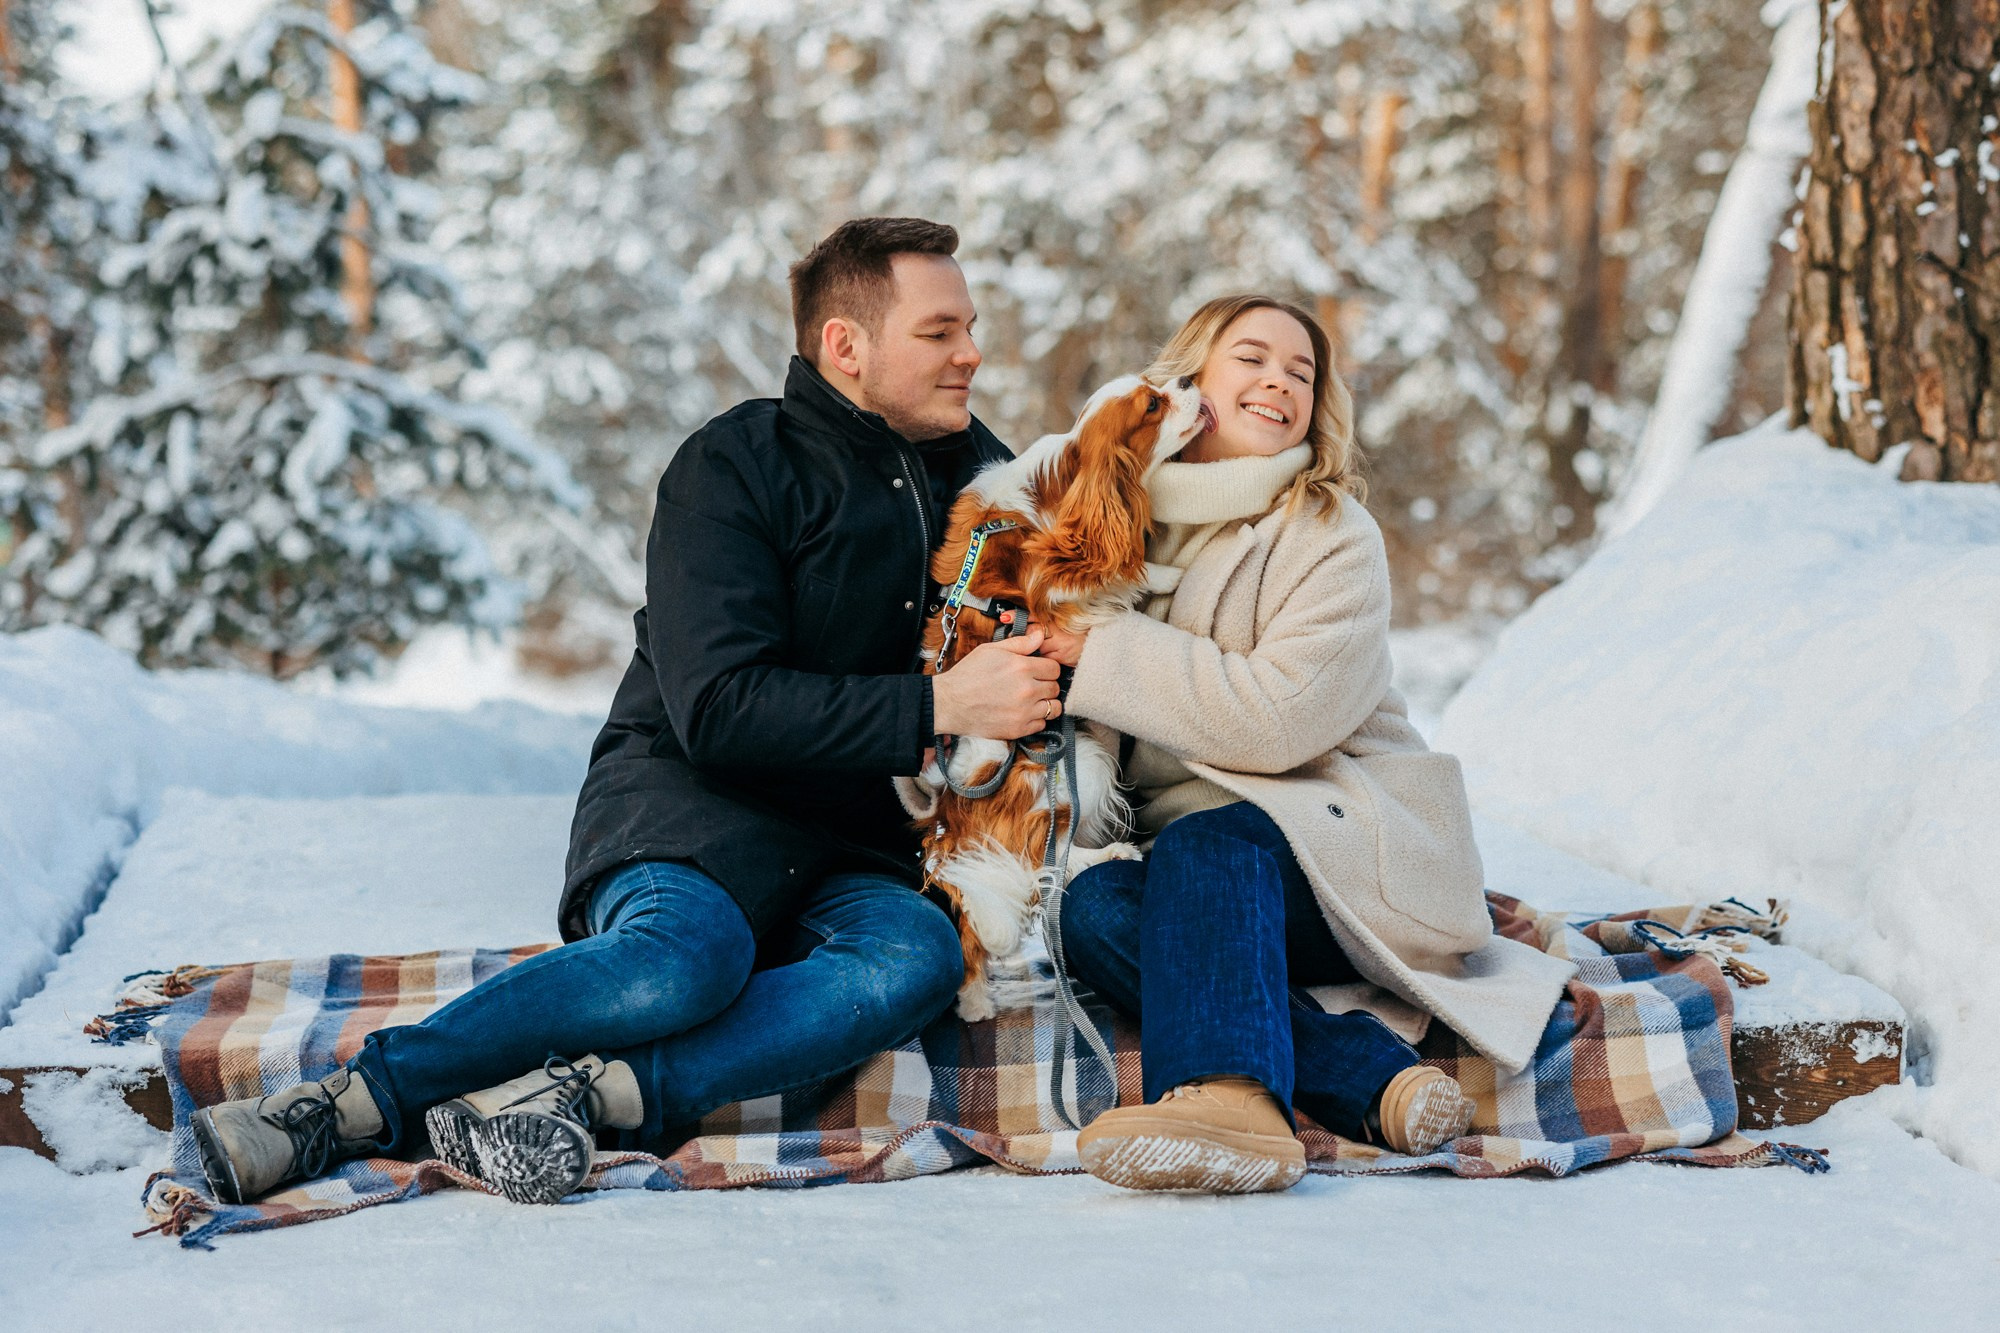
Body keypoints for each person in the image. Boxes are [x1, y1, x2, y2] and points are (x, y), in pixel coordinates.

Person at [191, 217, 1071, 1206]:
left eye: (970, 328)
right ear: (846, 346)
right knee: (686, 964)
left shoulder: (991, 484)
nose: (972, 353)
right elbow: (719, 708)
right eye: (940, 331)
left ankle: (578, 1092)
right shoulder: (736, 466)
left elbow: (1052, 643)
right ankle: (347, 1103)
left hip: (854, 850)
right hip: (690, 816)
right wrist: (939, 701)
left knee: (909, 958)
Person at [1038, 295, 1574, 1194]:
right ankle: (1372, 1078)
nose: (1278, 381)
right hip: (1207, 879)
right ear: (1189, 379)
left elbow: (1279, 720)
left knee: (1212, 844)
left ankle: (1233, 1102)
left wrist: (1103, 650)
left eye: (1301, 372)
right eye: (1252, 358)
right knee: (1093, 912)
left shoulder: (1329, 531)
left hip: (1349, 852)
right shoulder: (1117, 520)